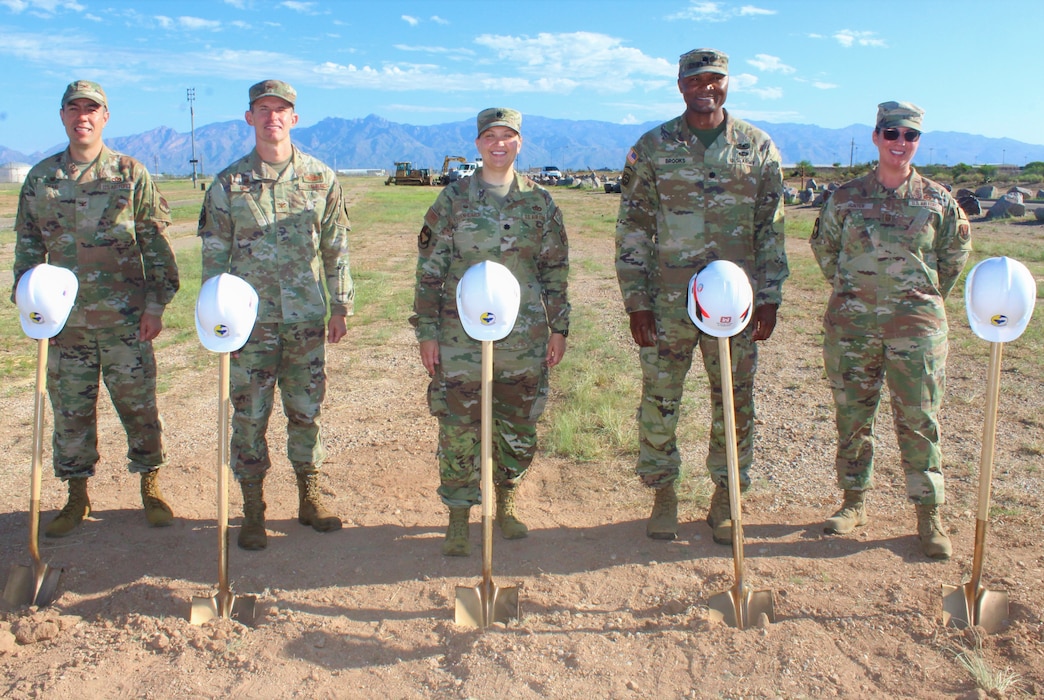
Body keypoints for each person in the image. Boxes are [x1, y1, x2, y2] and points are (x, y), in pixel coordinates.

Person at [615, 49, 788, 544]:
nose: (705, 87)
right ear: (680, 85)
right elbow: (632, 226)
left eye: (715, 79)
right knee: (661, 397)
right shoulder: (653, 146)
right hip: (668, 297)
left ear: (728, 83)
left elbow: (771, 226)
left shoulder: (756, 147)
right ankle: (663, 492)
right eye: (696, 80)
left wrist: (770, 296)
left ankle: (726, 496)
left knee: (734, 398)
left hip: (735, 303)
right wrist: (637, 301)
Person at [12, 80, 180, 537]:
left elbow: (155, 243)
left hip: (126, 320)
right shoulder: (42, 178)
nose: (83, 116)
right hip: (64, 326)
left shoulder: (129, 172)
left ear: (106, 117)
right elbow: (28, 247)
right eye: (74, 108)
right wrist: (28, 303)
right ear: (62, 116)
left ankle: (151, 484)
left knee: (139, 406)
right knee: (70, 411)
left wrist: (155, 305)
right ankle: (76, 495)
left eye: (92, 108)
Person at [810, 101, 971, 560]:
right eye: (892, 133)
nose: (901, 143)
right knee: (852, 417)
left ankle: (928, 516)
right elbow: (826, 251)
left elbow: (952, 260)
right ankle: (853, 502)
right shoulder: (844, 199)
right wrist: (859, 295)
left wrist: (913, 298)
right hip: (852, 327)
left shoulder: (938, 201)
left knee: (920, 421)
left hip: (915, 330)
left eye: (910, 136)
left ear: (918, 142)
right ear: (877, 137)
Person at [198, 80, 353, 551]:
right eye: (263, 109)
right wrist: (214, 318)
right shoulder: (228, 184)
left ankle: (310, 495)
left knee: (306, 411)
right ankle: (252, 508)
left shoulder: (319, 178)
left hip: (305, 320)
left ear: (294, 118)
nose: (272, 118)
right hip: (248, 325)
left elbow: (335, 249)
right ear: (249, 118)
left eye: (281, 109)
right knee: (249, 416)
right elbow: (213, 258)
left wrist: (341, 304)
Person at [411, 108, 570, 556]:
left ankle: (507, 501)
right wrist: (427, 332)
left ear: (520, 142)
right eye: (490, 136)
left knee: (518, 422)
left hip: (523, 338)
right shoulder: (452, 201)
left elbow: (555, 269)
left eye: (508, 136)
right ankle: (460, 515)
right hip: (459, 336)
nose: (499, 143)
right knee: (459, 426)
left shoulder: (540, 203)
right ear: (478, 144)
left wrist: (559, 328)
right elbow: (430, 272)